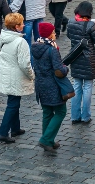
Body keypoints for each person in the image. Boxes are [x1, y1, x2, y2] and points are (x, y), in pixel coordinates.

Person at [0, 13, 35, 144]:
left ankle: (15, 128)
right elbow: (25, 64)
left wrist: (5, 64)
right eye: (22, 23)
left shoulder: (3, 37)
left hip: (6, 74)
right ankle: (3, 132)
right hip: (16, 77)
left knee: (14, 100)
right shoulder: (20, 42)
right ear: (16, 27)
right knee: (13, 104)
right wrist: (32, 75)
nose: (24, 25)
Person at [30, 22, 68, 152]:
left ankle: (49, 141)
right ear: (49, 35)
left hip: (40, 84)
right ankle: (45, 139)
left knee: (47, 113)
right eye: (53, 32)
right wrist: (66, 68)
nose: (55, 33)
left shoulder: (35, 46)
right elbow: (59, 70)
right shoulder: (52, 50)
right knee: (61, 112)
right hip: (53, 85)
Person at [66, 1, 95, 124]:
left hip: (75, 58)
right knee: (87, 87)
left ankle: (75, 116)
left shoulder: (71, 22)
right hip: (89, 59)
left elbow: (70, 36)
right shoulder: (91, 25)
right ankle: (85, 116)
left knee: (77, 86)